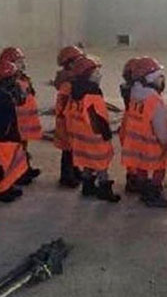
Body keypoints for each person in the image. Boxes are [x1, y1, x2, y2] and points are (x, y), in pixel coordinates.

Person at [121, 56, 167, 208]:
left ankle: (144, 190)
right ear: (149, 78)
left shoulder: (134, 95)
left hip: (137, 144)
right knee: (159, 167)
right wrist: (166, 143)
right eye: (159, 76)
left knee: (141, 168)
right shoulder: (154, 100)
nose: (161, 80)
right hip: (153, 145)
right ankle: (154, 194)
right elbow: (160, 128)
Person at [66, 54, 120, 203]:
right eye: (95, 73)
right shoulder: (92, 94)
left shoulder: (75, 92)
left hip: (81, 136)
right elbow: (98, 118)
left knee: (88, 162)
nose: (99, 75)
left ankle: (87, 185)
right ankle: (104, 189)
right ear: (87, 76)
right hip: (95, 137)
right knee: (101, 164)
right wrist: (106, 134)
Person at [0, 59, 29, 202]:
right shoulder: (2, 97)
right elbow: (4, 119)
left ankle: (7, 186)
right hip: (5, 136)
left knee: (9, 164)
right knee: (2, 165)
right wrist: (6, 135)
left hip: (6, 135)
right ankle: (1, 191)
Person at [0, 46, 42, 182]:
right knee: (15, 149)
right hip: (16, 124)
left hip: (25, 123)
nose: (22, 64)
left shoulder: (23, 79)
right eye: (18, 61)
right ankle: (17, 173)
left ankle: (24, 168)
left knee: (23, 147)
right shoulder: (10, 85)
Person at [53, 44, 85, 188]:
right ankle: (66, 176)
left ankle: (74, 170)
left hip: (67, 120)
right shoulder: (68, 85)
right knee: (67, 150)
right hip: (66, 122)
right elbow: (67, 105)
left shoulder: (69, 81)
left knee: (72, 149)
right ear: (71, 63)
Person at [119, 56, 141, 193]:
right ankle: (133, 179)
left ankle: (133, 176)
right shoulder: (137, 93)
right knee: (134, 153)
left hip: (127, 122)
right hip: (132, 124)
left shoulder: (127, 88)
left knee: (131, 153)